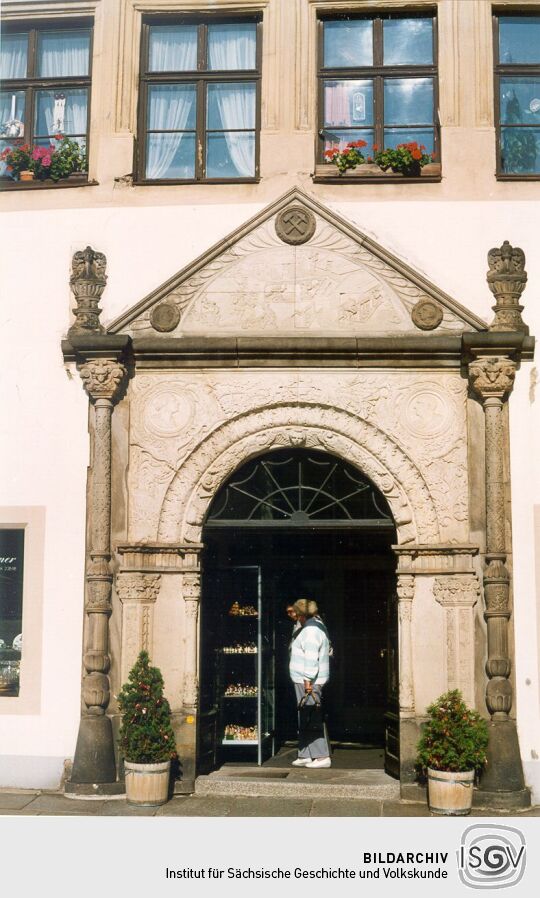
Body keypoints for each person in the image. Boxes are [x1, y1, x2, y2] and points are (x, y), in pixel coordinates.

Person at [289, 598, 331, 769]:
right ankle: (306, 753)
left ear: (301, 615)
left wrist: (307, 681)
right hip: (306, 680)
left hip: (308, 681)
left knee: (311, 716)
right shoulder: (316, 626)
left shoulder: (311, 631)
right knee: (306, 715)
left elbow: (311, 658)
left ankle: (322, 756)